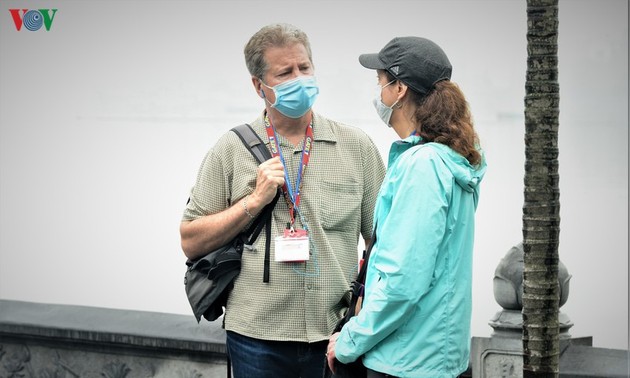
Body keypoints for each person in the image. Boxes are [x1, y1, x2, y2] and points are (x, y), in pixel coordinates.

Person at [180, 23, 385, 378]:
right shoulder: (231, 149)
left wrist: (364, 315)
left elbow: (381, 240)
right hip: (257, 336)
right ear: (259, 86)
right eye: (285, 72)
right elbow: (190, 239)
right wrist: (253, 201)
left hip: (337, 332)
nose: (299, 78)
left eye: (304, 68)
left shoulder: (357, 147)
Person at [326, 36, 487, 377]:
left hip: (405, 361)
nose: (378, 92)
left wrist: (349, 340)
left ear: (399, 89)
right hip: (437, 355)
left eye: (380, 82)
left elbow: (404, 280)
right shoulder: (452, 159)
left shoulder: (423, 166)